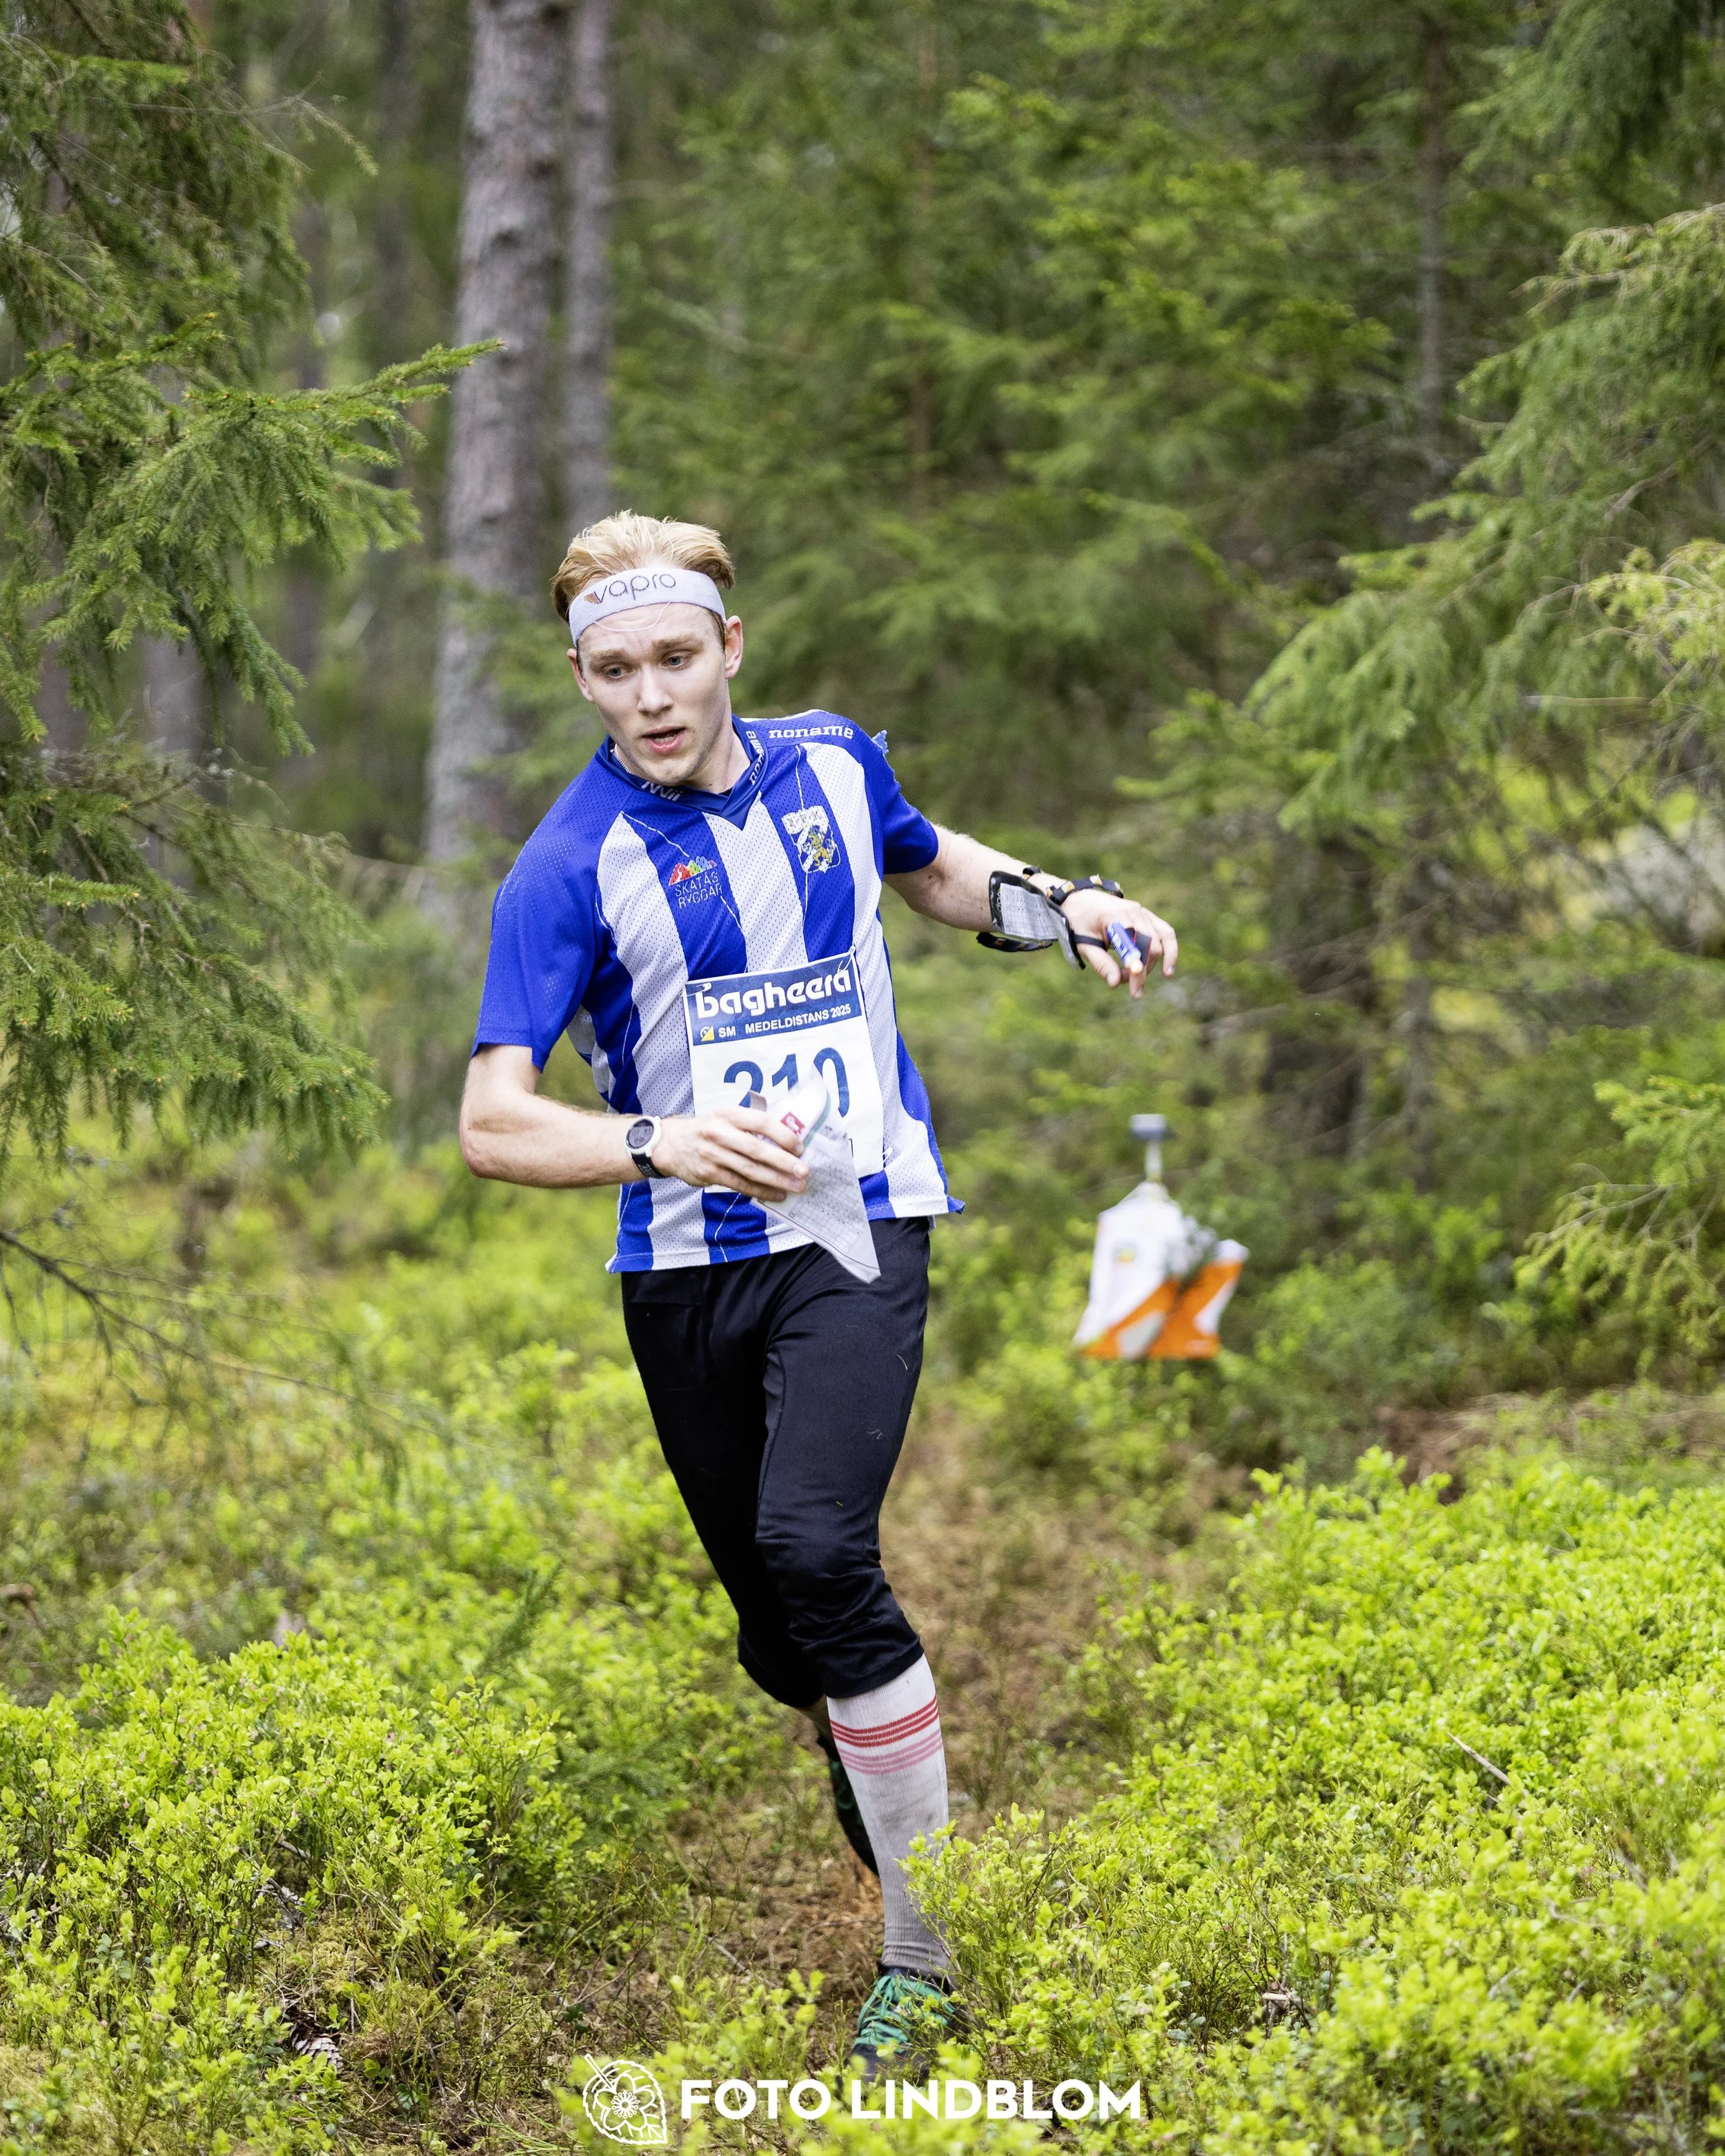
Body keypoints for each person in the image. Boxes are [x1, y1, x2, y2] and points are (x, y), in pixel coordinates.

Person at [459, 512, 1178, 2073]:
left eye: (675, 657)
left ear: (730, 648)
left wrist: (1069, 904)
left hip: (859, 1222)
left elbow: (932, 869)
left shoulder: (834, 763)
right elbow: (491, 1122)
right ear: (581, 679)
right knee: (784, 1634)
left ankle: (924, 1951)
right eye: (613, 670)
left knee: (816, 1548)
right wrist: (656, 1140)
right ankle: (882, 1777)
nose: (651, 695)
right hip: (683, 1268)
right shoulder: (566, 865)